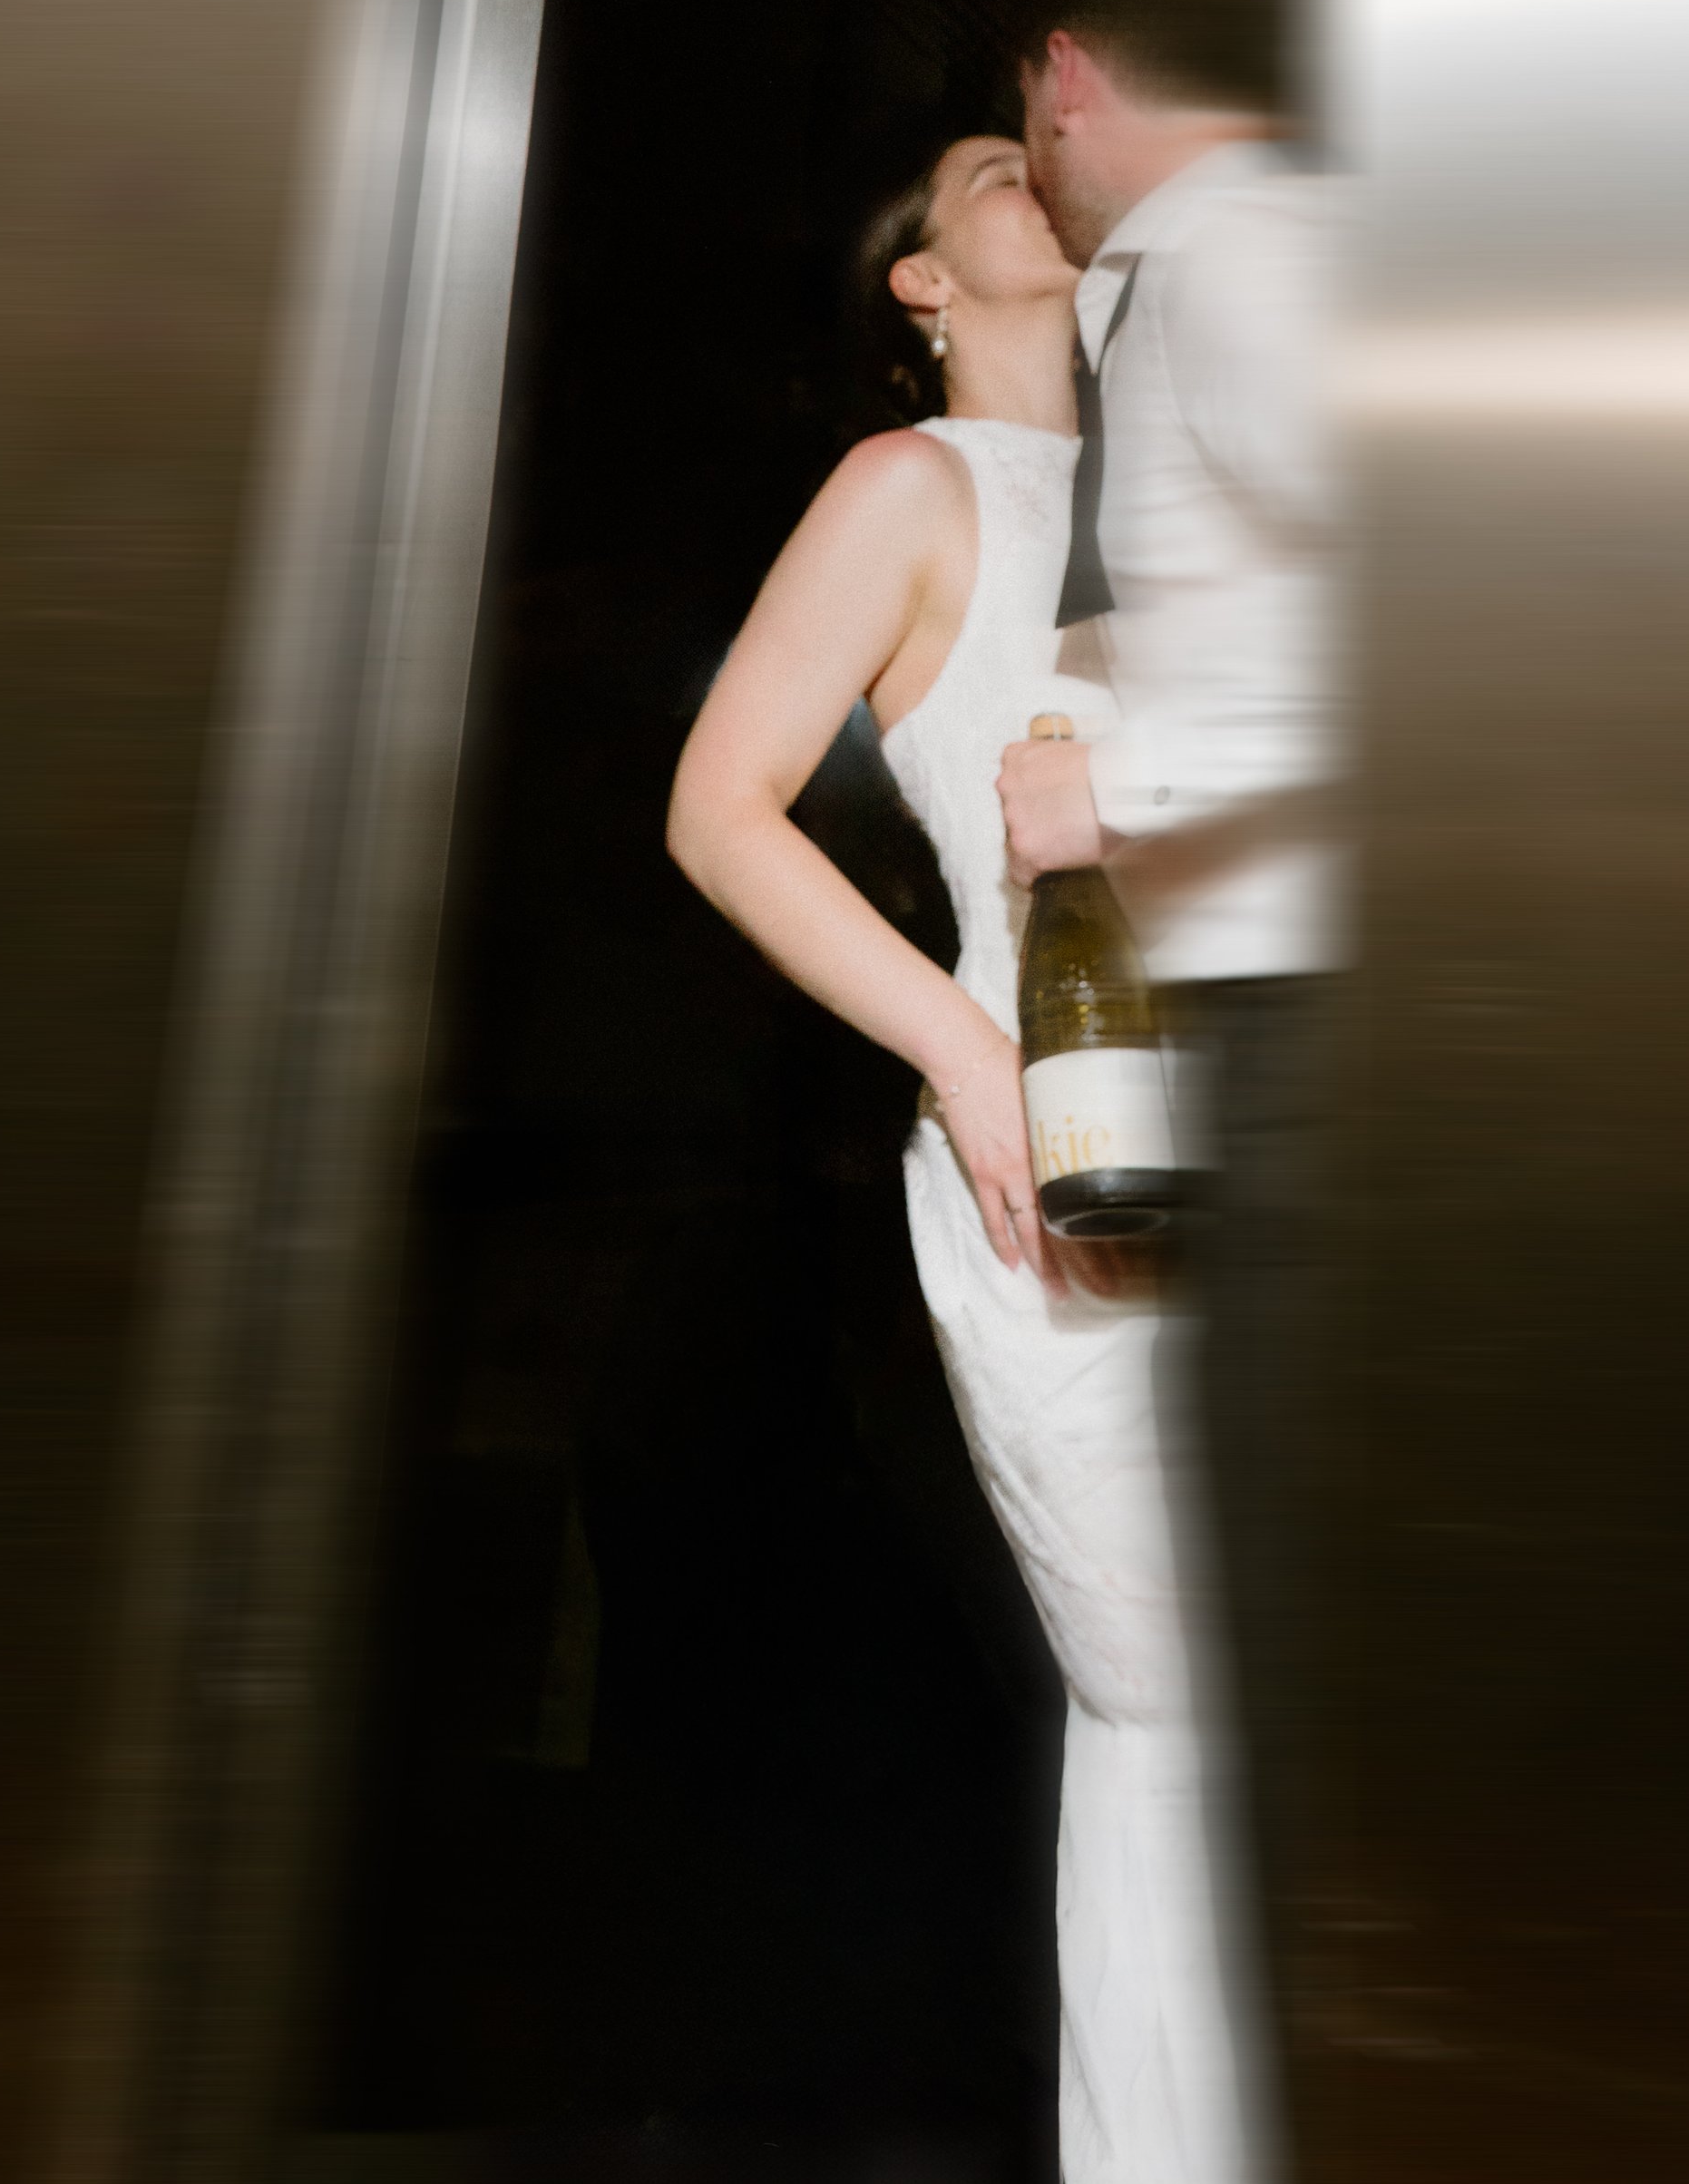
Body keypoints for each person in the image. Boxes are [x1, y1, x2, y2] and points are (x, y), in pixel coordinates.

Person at [668, 132, 1260, 2184]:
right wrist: (957, 1045)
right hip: (1059, 1142)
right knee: (1175, 1690)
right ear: (918, 287)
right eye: (982, 171)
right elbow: (718, 806)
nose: (1033, 174)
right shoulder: (908, 488)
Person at [992, 0, 1344, 2091]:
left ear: (1067, 81)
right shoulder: (1227, 274)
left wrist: (1131, 787)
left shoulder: (1248, 261)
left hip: (1338, 1043)